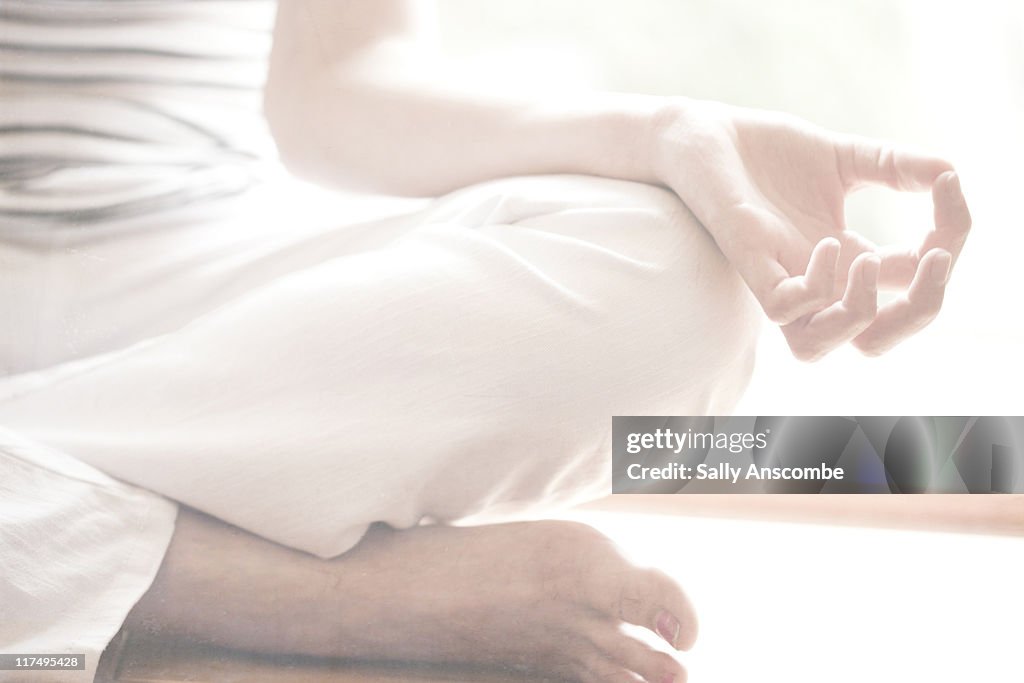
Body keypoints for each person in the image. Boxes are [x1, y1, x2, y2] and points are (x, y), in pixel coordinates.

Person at [0, 1, 971, 682]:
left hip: (190, 250)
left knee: (672, 284)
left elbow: (335, 88)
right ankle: (286, 589)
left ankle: (44, 507)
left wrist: (670, 133)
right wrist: (345, 607)